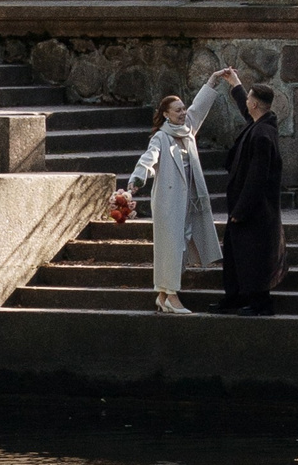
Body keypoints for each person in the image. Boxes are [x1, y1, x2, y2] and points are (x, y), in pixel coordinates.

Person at [121, 70, 231, 313]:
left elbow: (199, 108)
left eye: (183, 109)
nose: (183, 113)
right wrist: (136, 180)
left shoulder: (187, 129)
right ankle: (171, 295)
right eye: (178, 110)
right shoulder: (161, 137)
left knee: (181, 244)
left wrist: (212, 81)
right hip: (169, 201)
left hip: (190, 198)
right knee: (173, 247)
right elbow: (148, 159)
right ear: (166, 114)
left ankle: (163, 296)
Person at [217, 75, 285, 316]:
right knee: (237, 254)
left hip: (255, 210)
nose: (246, 101)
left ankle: (260, 303)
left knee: (254, 256)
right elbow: (245, 111)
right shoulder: (259, 124)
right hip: (245, 207)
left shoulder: (262, 134)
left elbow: (258, 176)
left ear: (255, 104)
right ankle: (235, 298)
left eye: (248, 99)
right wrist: (235, 84)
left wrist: (241, 209)